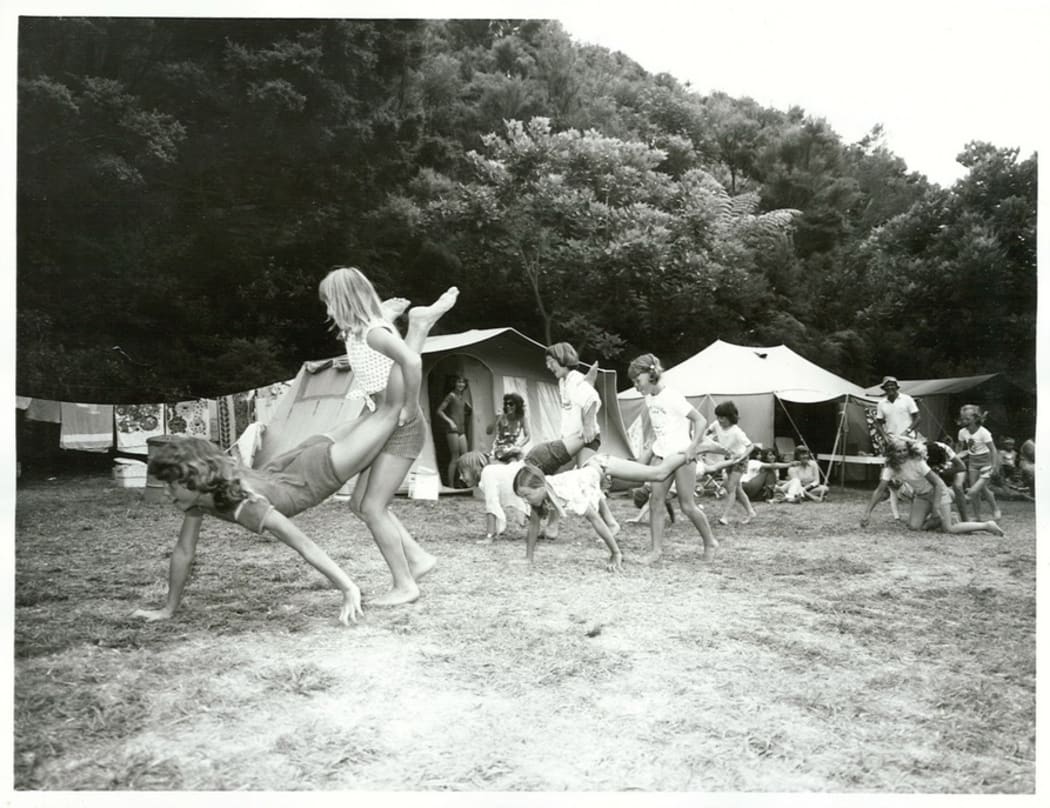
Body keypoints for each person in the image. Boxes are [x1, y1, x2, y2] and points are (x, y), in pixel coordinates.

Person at [132, 292, 455, 624]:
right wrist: (168, 609)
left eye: (172, 486)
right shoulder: (201, 495)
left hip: (318, 470)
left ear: (193, 479)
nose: (168, 494)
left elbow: (303, 544)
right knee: (376, 431)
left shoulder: (241, 502)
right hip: (296, 459)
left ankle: (405, 328)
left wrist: (348, 588)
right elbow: (184, 552)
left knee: (389, 409)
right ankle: (416, 559)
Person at [320, 267, 458, 607]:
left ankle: (404, 584)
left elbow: (410, 362)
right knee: (359, 504)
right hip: (381, 420)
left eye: (329, 303)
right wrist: (386, 310)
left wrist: (410, 405)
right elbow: (374, 330)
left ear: (344, 301)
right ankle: (418, 559)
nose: (327, 311)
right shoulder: (359, 330)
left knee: (372, 506)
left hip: (400, 422)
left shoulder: (372, 333)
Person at [513, 448, 723, 571]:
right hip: (597, 475)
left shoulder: (565, 492)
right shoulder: (540, 497)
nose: (525, 500)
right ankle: (615, 523)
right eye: (522, 496)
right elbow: (533, 526)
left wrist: (615, 553)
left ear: (540, 486)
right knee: (653, 475)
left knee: (658, 474)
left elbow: (595, 521)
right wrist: (528, 558)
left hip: (604, 466)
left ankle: (696, 449)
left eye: (526, 495)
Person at [626, 353, 730, 563]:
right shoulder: (648, 398)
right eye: (634, 382)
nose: (636, 386)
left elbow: (700, 420)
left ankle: (710, 542)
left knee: (687, 505)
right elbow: (659, 428)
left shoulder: (671, 396)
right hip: (661, 454)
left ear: (651, 374)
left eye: (638, 381)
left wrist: (692, 448)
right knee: (655, 502)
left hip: (682, 455)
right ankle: (655, 552)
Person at [545, 342, 619, 534]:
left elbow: (593, 399)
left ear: (562, 359)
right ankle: (552, 525)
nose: (548, 366)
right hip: (570, 439)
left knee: (587, 479)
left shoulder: (574, 378)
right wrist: (589, 381)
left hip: (586, 438)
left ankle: (610, 522)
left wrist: (587, 426)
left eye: (551, 361)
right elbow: (583, 395)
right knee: (556, 478)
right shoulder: (564, 381)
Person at [860, 437, 1004, 535]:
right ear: (892, 453)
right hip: (922, 496)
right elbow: (879, 490)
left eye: (905, 450)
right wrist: (867, 513)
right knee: (914, 527)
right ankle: (946, 516)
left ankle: (986, 525)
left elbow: (937, 483)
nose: (902, 453)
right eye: (898, 451)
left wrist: (935, 507)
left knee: (950, 529)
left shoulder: (917, 461)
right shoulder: (890, 467)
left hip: (938, 492)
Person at [703, 401, 757, 526]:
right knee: (737, 488)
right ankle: (750, 511)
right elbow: (707, 431)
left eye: (722, 417)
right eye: (718, 417)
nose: (719, 420)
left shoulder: (736, 431)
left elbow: (750, 446)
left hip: (740, 460)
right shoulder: (716, 424)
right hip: (729, 459)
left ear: (730, 417)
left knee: (730, 487)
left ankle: (725, 517)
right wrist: (703, 437)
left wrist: (741, 457)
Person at [956, 404, 1001, 521]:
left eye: (968, 418)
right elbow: (960, 446)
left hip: (986, 461)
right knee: (981, 489)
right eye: (963, 418)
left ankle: (995, 509)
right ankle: (977, 516)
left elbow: (993, 449)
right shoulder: (962, 432)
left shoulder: (983, 432)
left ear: (976, 418)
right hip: (972, 462)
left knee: (976, 488)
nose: (964, 421)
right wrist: (957, 457)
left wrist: (994, 465)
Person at [437, 375, 472, 486]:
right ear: (454, 383)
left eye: (463, 382)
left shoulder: (462, 397)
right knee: (455, 457)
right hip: (452, 430)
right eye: (458, 382)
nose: (461, 384)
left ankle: (462, 481)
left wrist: (468, 408)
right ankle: (451, 485)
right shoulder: (451, 396)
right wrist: (450, 422)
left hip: (462, 430)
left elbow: (464, 411)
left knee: (465, 457)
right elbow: (439, 411)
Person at [874, 376, 920, 445]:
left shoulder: (907, 399)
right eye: (887, 386)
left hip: (908, 437)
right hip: (892, 440)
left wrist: (908, 431)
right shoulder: (881, 403)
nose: (890, 387)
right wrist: (884, 437)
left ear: (897, 387)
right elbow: (878, 423)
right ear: (884, 388)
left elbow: (918, 418)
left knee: (909, 455)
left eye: (892, 385)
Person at [487, 392, 530, 462]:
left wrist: (519, 445)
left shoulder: (522, 418)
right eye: (506, 404)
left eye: (511, 404)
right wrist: (495, 419)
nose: (508, 406)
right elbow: (488, 432)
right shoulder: (501, 416)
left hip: (512, 448)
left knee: (521, 460)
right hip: (499, 448)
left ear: (517, 406)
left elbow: (527, 436)